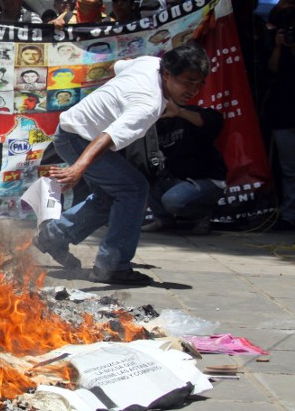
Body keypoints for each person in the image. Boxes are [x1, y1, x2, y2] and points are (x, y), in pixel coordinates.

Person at [32, 41, 211, 285]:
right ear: (168, 74)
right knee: (133, 189)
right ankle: (113, 267)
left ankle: (55, 237)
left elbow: (118, 67)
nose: (194, 89)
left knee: (110, 196)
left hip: (74, 131)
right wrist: (77, 169)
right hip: (80, 140)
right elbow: (107, 137)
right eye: (188, 81)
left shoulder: (150, 63)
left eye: (199, 82)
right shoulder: (147, 104)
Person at [141, 101, 227, 235]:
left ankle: (202, 215)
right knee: (141, 177)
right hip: (176, 179)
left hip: (205, 179)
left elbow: (215, 122)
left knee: (173, 200)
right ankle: (164, 220)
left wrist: (180, 112)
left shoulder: (187, 114)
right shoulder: (154, 126)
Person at [265, 2, 295, 230]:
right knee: (288, 170)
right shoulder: (278, 41)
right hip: (284, 113)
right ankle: (288, 215)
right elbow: (272, 69)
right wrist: (279, 46)